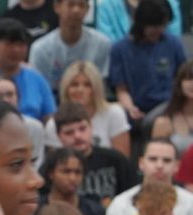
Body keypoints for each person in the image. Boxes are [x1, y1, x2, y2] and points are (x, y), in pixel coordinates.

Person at [101, 138, 193, 215]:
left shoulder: (190, 202)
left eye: (167, 160)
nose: (159, 165)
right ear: (141, 163)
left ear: (177, 166)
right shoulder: (120, 203)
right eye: (153, 159)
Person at [108, 0, 186, 128]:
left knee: (155, 122)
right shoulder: (120, 49)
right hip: (138, 107)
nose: (159, 30)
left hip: (169, 106)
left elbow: (183, 80)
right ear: (141, 24)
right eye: (154, 26)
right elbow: (121, 90)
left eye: (163, 25)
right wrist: (130, 108)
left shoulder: (173, 44)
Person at [52, 101, 136, 204]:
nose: (77, 136)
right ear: (58, 136)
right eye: (69, 132)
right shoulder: (52, 167)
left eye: (82, 129)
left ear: (91, 127)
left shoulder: (116, 160)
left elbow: (133, 198)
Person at [44, 61, 131, 156]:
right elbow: (56, 164)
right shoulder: (53, 124)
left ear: (96, 89)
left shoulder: (114, 113)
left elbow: (123, 160)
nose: (80, 90)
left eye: (87, 85)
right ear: (66, 89)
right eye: (74, 85)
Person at [29, 0, 112, 91]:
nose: (76, 10)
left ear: (87, 9)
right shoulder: (40, 49)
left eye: (81, 5)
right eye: (70, 4)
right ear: (57, 7)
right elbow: (37, 89)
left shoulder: (102, 44)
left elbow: (101, 87)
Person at [38, 147, 106, 215]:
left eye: (78, 172)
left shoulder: (96, 212)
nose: (72, 178)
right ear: (51, 174)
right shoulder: (35, 210)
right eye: (66, 171)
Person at [0, 75, 47, 170]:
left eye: (10, 94)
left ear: (18, 98)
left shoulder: (34, 127)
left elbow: (37, 165)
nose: (5, 100)